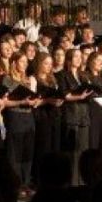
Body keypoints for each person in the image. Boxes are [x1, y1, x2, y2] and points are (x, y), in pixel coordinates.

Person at [1, 52, 42, 187]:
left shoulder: (28, 79)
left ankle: (25, 182)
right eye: (22, 61)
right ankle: (15, 184)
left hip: (29, 117)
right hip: (15, 116)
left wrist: (35, 101)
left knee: (27, 152)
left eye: (26, 62)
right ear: (14, 63)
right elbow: (4, 102)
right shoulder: (7, 79)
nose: (25, 64)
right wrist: (21, 102)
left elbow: (31, 99)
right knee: (15, 152)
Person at [56, 48, 93, 185]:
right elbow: (65, 95)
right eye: (75, 56)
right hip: (71, 116)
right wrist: (80, 96)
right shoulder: (62, 75)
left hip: (84, 115)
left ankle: (82, 182)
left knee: (83, 151)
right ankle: (72, 182)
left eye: (80, 56)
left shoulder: (83, 75)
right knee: (72, 153)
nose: (79, 59)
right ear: (69, 59)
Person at [32, 52, 64, 184]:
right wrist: (47, 100)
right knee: (43, 148)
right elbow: (34, 103)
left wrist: (59, 101)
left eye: (50, 64)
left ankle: (54, 179)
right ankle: (40, 180)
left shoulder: (53, 79)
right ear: (39, 64)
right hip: (42, 116)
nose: (49, 66)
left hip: (55, 115)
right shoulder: (34, 79)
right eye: (46, 63)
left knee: (55, 148)